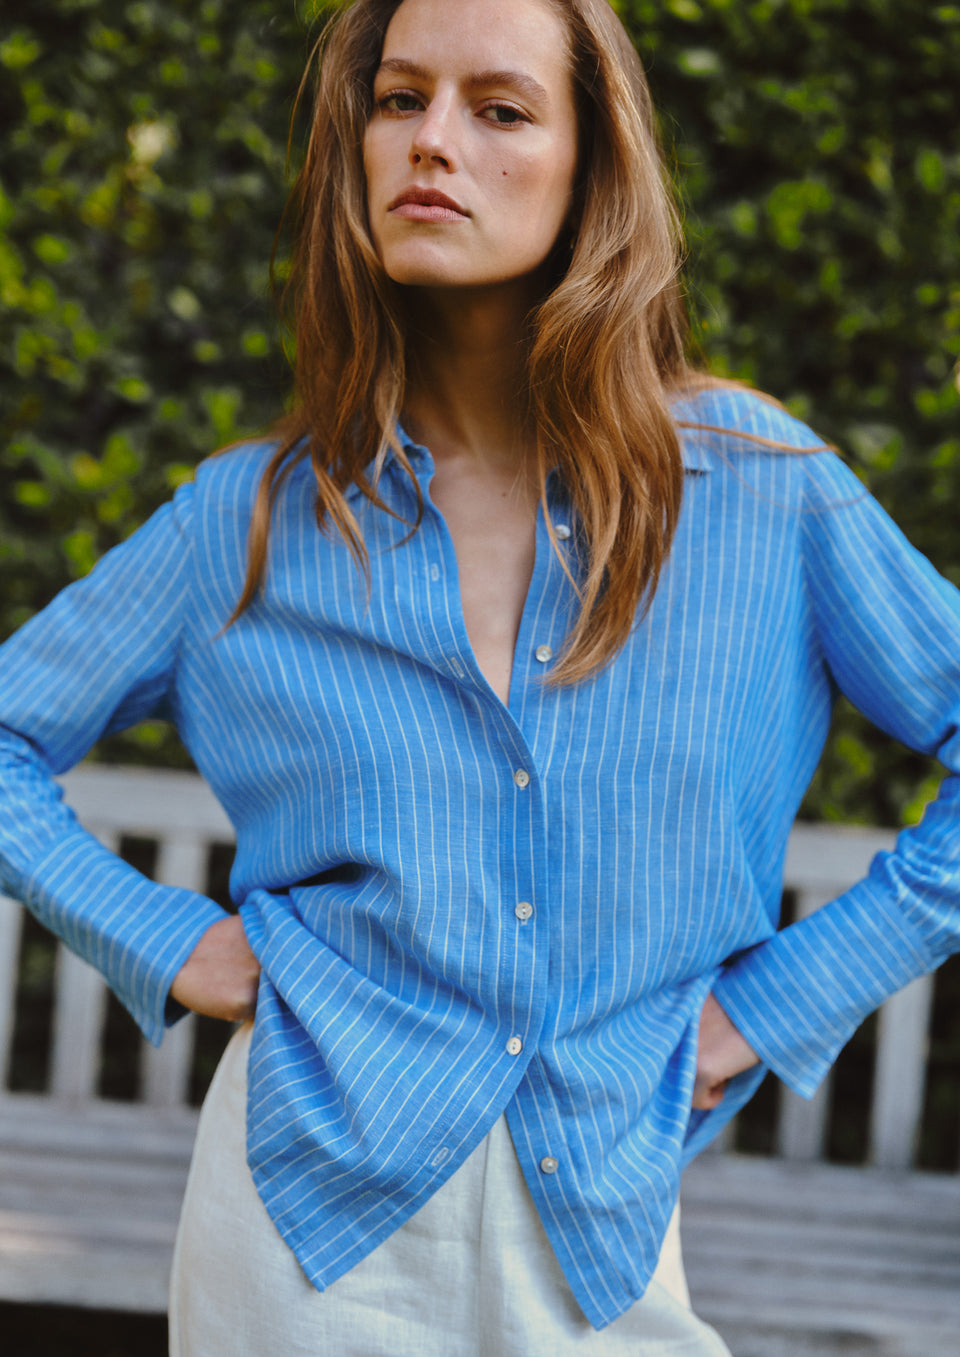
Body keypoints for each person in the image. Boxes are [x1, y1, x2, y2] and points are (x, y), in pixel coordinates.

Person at [1, 0, 958, 1352]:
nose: (431, 142)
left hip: (608, 1226)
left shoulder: (762, 492)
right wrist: (168, 943)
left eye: (500, 109)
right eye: (399, 99)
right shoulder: (251, 521)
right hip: (302, 1228)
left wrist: (769, 1009)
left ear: (592, 167)